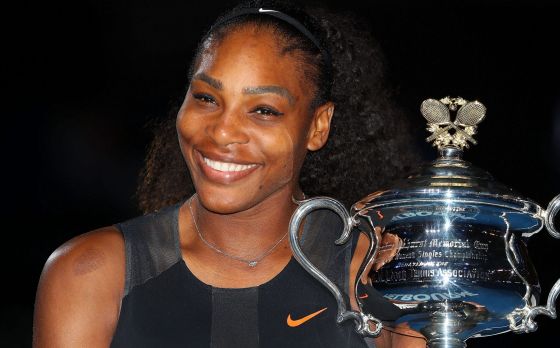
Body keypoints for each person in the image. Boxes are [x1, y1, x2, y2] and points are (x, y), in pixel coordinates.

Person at [33, 1, 424, 346]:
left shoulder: (375, 277)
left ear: (318, 126)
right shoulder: (90, 274)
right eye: (206, 98)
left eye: (264, 110)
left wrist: (417, 295)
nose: (222, 132)